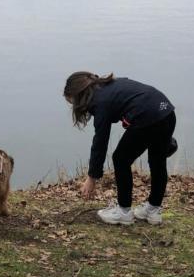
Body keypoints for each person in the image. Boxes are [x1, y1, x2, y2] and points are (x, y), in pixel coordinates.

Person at [63, 72, 177, 225]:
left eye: (72, 103)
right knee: (157, 160)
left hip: (147, 118)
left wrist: (92, 178)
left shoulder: (100, 103)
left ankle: (124, 212)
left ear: (79, 95)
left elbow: (100, 142)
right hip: (166, 111)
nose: (74, 107)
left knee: (120, 159)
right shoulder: (109, 85)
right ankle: (153, 210)